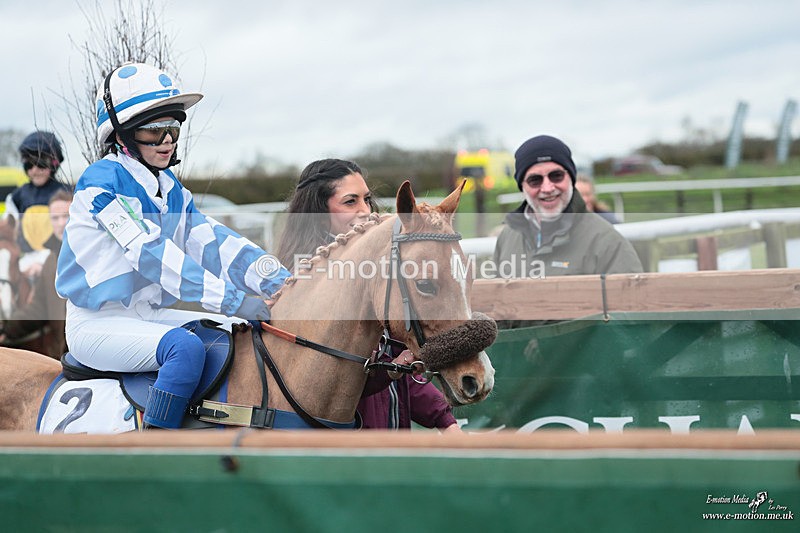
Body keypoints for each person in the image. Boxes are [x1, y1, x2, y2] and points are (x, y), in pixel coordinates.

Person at [56, 62, 291, 429]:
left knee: (237, 329)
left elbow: (215, 243)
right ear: (123, 135)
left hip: (147, 316)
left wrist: (281, 282)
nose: (167, 140)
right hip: (96, 326)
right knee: (185, 348)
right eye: (155, 131)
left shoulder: (172, 190)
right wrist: (233, 299)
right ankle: (157, 450)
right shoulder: (98, 183)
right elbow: (150, 254)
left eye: (173, 128)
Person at [276, 158, 460, 432]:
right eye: (350, 202)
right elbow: (320, 380)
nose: (365, 210)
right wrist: (389, 371)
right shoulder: (297, 286)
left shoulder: (377, 271)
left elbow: (400, 364)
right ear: (318, 211)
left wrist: (445, 421)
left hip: (389, 439)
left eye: (367, 199)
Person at [493, 135, 642, 277]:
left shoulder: (608, 242)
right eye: (535, 180)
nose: (547, 188)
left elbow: (633, 299)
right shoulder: (507, 237)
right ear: (522, 186)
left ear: (571, 178)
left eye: (556, 176)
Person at [0, 190, 72, 358]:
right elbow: (37, 309)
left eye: (66, 216)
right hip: (64, 357)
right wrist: (6, 328)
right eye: (55, 218)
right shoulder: (51, 261)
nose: (61, 223)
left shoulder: (93, 253)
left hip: (92, 353)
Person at [5, 131, 71, 278]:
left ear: (54, 163)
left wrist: (44, 262)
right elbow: (10, 232)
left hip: (60, 261)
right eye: (29, 165)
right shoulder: (16, 197)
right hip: (26, 261)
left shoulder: (67, 193)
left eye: (41, 164)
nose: (35, 170)